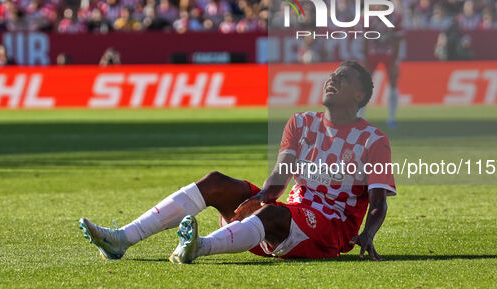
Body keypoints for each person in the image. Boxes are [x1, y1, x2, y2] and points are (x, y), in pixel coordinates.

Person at [78, 61, 396, 263]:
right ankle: (122, 238)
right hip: (285, 220)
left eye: (343, 78)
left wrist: (368, 235)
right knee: (217, 182)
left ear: (359, 95)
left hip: (329, 231)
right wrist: (257, 199)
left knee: (272, 211)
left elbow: (378, 200)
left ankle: (199, 246)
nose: (332, 79)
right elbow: (280, 176)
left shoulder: (372, 140)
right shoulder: (302, 123)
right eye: (332, 75)